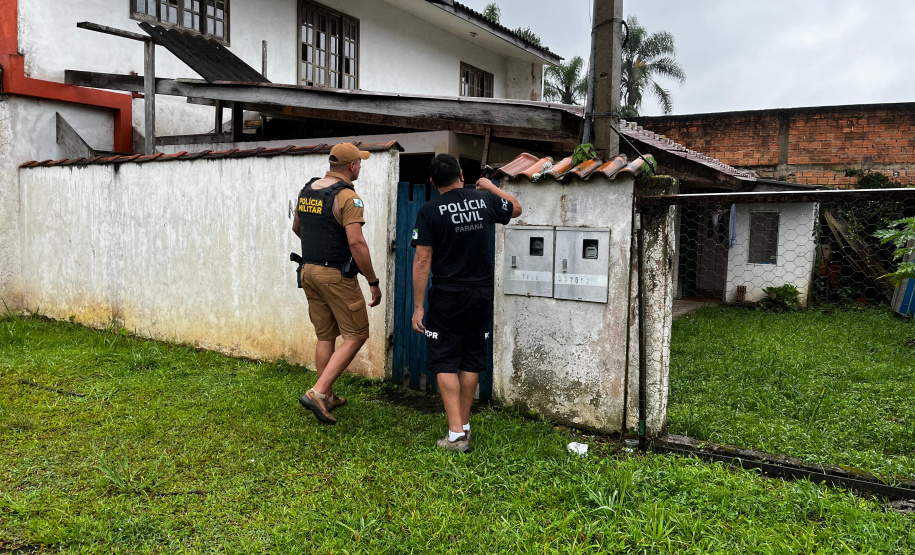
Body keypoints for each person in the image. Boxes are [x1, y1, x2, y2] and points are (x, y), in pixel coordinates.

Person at [411, 154, 522, 452]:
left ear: (433, 182)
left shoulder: (429, 211)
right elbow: (517, 208)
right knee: (472, 358)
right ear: (461, 174)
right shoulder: (483, 200)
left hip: (448, 295)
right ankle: (464, 425)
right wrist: (489, 186)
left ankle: (456, 435)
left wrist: (419, 307)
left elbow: (422, 259)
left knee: (445, 359)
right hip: (481, 294)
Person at [293, 142, 382, 425]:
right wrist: (373, 281)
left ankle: (328, 395)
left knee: (325, 335)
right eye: (359, 163)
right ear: (352, 166)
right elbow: (356, 242)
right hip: (335, 275)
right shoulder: (347, 197)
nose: (360, 167)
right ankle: (318, 392)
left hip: (308, 270)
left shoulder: (307, 190)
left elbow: (298, 228)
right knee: (356, 334)